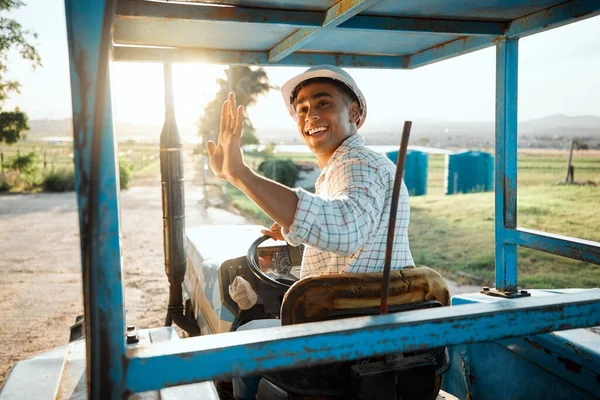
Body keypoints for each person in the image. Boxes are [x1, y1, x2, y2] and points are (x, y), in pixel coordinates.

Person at [206, 65, 415, 399]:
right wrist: (290, 230)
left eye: (323, 103)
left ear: (355, 112)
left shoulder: (356, 163)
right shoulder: (350, 168)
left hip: (348, 339)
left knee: (241, 338)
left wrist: (241, 173)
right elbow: (355, 228)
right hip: (368, 329)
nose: (309, 115)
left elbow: (346, 228)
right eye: (301, 109)